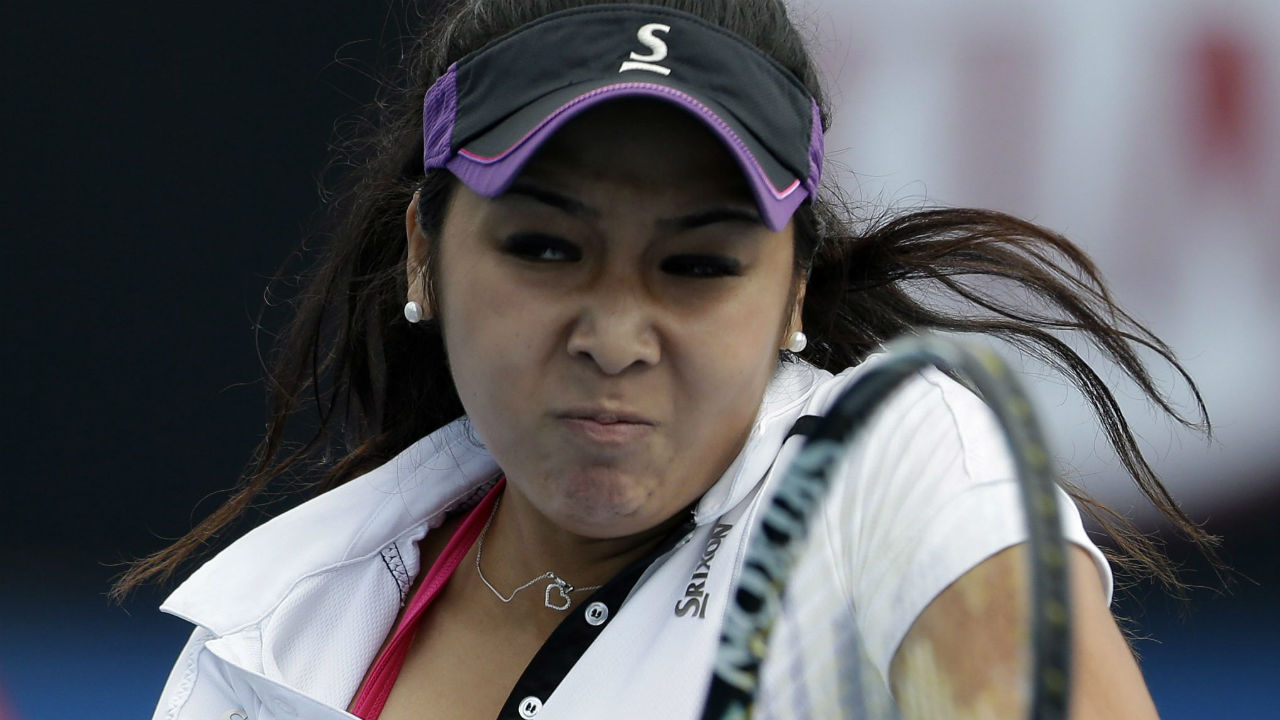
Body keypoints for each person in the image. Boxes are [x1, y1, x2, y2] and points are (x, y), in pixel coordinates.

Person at [115, 2, 1219, 718]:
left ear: (792, 290)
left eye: (695, 266)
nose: (613, 336)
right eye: (545, 249)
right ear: (424, 252)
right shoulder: (272, 635)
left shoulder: (894, 470)